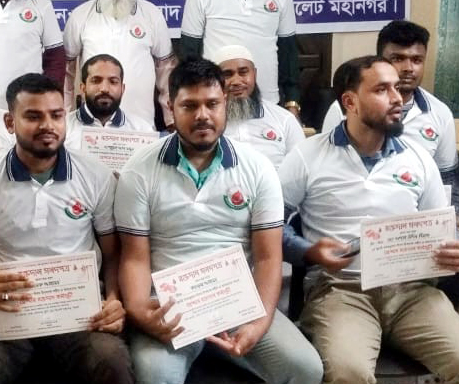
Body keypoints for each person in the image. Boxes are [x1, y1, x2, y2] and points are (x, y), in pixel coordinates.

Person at [278, 56, 459, 384]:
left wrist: (454, 251)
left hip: (411, 290)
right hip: (340, 288)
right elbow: (268, 228)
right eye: (382, 90)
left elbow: (444, 230)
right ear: (350, 102)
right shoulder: (308, 156)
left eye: (396, 88)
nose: (397, 98)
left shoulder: (418, 158)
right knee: (349, 374)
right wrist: (308, 252)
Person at [116, 58, 323, 384]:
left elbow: (268, 257)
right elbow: (134, 258)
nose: (202, 115)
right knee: (155, 376)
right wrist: (141, 312)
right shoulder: (139, 170)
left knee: (306, 369)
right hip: (170, 309)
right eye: (189, 105)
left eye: (212, 104)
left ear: (225, 102)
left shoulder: (257, 168)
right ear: (171, 108)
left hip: (237, 305)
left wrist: (257, 324)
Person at [0, 74, 132, 384]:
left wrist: (113, 299)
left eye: (56, 115)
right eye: (33, 116)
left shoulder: (96, 176)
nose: (48, 125)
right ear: (9, 122)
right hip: (5, 311)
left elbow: (113, 257)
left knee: (110, 362)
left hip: (78, 311)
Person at [320, 20, 459, 218]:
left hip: (416, 218)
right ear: (380, 61)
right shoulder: (345, 108)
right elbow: (326, 167)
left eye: (417, 60)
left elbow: (448, 177)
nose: (408, 68)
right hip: (354, 209)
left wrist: (456, 215)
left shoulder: (439, 113)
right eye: (398, 59)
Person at [63, 0, 176, 128]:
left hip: (141, 124)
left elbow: (166, 70)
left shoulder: (151, 14)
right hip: (91, 126)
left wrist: (171, 119)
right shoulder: (80, 15)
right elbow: (67, 72)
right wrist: (64, 116)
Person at [209, 45, 303, 168]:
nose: (236, 81)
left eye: (243, 72)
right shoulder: (207, 121)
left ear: (254, 74)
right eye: (227, 74)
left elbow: (301, 168)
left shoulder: (284, 120)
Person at [65, 54, 157, 150]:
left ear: (122, 89)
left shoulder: (143, 131)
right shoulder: (65, 128)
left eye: (113, 82)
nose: (104, 89)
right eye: (96, 81)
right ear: (83, 88)